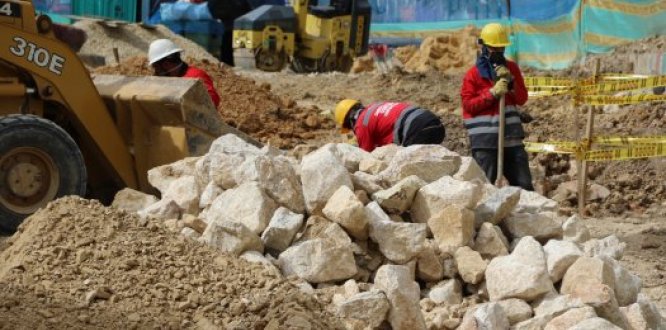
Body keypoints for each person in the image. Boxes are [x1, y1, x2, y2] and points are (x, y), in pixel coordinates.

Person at [460, 23, 534, 190]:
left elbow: (522, 99)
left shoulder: (512, 68)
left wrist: (512, 83)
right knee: (484, 188)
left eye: (502, 48)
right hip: (485, 141)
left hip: (511, 139)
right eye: (495, 48)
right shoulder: (473, 74)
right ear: (485, 47)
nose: (499, 52)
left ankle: (524, 216)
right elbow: (468, 105)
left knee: (524, 186)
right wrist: (492, 93)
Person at [334, 99, 445, 152]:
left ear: (349, 121)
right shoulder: (375, 106)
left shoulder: (361, 124)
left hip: (417, 131)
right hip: (435, 124)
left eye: (348, 128)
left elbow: (366, 156)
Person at [148, 39, 221, 107]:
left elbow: (212, 102)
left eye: (157, 68)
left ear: (166, 64)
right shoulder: (169, 80)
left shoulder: (195, 77)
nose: (156, 72)